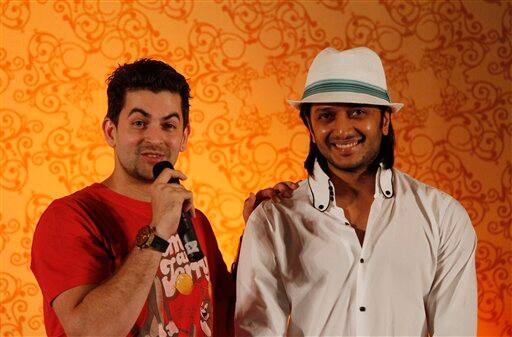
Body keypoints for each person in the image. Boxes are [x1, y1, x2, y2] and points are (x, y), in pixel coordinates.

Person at [31, 59, 288, 337]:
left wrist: (255, 234)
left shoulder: (194, 220)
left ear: (184, 136)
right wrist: (158, 231)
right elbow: (89, 332)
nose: (154, 138)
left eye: (168, 126)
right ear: (110, 131)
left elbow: (224, 320)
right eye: (140, 123)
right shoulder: (70, 216)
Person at [235, 47, 478, 336]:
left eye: (357, 112)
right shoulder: (274, 219)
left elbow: (455, 330)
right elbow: (255, 329)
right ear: (310, 127)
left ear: (385, 121)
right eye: (326, 115)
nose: (342, 130)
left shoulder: (443, 217)